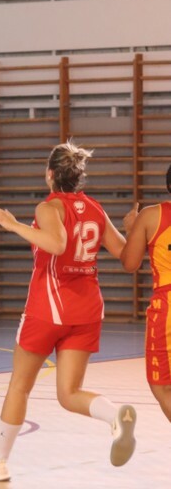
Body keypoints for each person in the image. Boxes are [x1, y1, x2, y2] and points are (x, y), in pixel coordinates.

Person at [0, 140, 137, 483]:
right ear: (79, 176)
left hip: (48, 308)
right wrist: (133, 230)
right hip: (87, 311)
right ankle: (114, 415)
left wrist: (14, 225)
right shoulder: (95, 209)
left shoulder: (49, 207)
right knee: (69, 394)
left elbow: (57, 244)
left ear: (50, 174)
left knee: (20, 386)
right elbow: (128, 259)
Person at [120, 165, 171, 422]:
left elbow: (130, 263)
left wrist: (131, 230)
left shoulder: (152, 216)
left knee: (162, 386)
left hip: (168, 305)